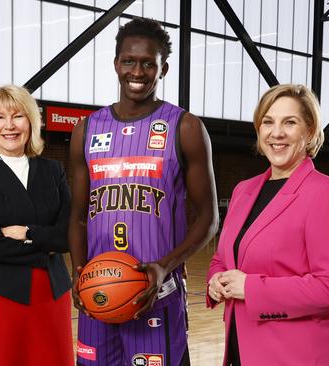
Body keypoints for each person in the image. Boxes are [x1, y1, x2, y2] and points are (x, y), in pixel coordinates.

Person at [69, 18, 219, 366]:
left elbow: (209, 218)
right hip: (99, 294)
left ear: (162, 68)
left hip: (158, 295)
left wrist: (164, 267)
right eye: (129, 61)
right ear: (116, 64)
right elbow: (77, 217)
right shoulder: (86, 130)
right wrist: (78, 273)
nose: (138, 71)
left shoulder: (186, 127)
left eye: (148, 63)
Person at [207, 84, 329, 366]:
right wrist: (216, 281)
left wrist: (252, 288)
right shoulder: (244, 191)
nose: (276, 133)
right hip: (244, 349)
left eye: (289, 122)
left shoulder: (328, 194)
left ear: (310, 130)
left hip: (302, 354)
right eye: (268, 122)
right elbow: (223, 257)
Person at [0, 84, 73, 365]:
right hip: (0, 295)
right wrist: (46, 247)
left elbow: (69, 236)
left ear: (31, 122)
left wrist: (29, 233)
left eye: (18, 116)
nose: (9, 126)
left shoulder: (53, 170)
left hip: (52, 293)